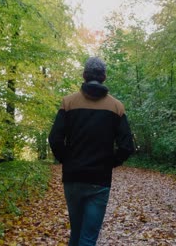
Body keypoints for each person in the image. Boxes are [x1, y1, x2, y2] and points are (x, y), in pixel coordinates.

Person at [49, 56, 134, 246]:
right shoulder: (116, 107)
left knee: (76, 234)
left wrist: (66, 160)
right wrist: (109, 163)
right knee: (87, 238)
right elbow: (127, 145)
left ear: (84, 75)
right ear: (104, 77)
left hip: (73, 177)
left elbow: (55, 138)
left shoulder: (68, 102)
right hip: (99, 180)